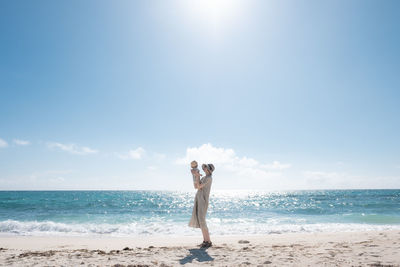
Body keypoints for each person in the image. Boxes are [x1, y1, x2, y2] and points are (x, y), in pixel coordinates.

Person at [188, 163, 215, 248]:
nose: (204, 169)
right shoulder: (204, 177)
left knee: (202, 220)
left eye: (206, 168)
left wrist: (196, 175)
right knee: (200, 220)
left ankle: (208, 241)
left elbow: (199, 186)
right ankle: (205, 241)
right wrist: (195, 176)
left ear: (209, 170)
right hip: (199, 198)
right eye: (204, 167)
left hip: (203, 200)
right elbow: (196, 186)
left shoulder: (209, 178)